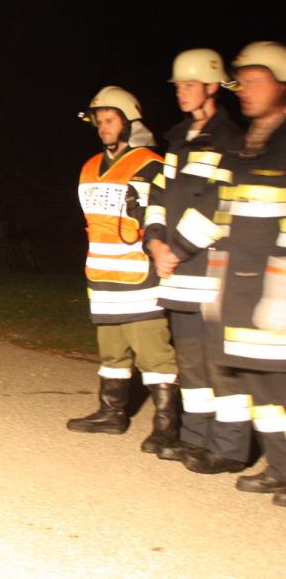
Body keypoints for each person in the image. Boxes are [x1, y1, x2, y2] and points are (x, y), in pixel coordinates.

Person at [142, 49, 249, 469]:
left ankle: (229, 448)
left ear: (211, 87)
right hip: (177, 271)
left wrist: (177, 249)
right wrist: (154, 242)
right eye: (178, 86)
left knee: (217, 362)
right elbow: (158, 195)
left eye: (189, 85)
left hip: (211, 270)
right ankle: (194, 437)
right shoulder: (177, 139)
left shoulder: (230, 140)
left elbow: (218, 203)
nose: (181, 93)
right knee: (189, 360)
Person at [67, 87, 179, 448]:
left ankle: (167, 427)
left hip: (140, 276)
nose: (103, 127)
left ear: (129, 122)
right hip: (101, 276)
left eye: (110, 120)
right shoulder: (88, 167)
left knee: (154, 354)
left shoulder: (152, 164)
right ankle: (111, 413)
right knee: (112, 352)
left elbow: (165, 220)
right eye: (99, 121)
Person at [209, 41, 286, 507]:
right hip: (242, 283)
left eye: (256, 81)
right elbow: (226, 215)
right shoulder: (246, 146)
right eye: (242, 82)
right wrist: (217, 279)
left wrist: (279, 286)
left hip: (276, 284)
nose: (245, 90)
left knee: (281, 381)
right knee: (260, 380)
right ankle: (280, 467)